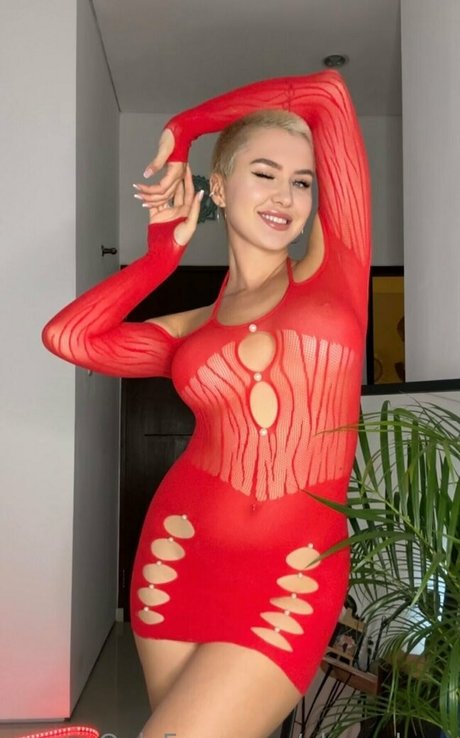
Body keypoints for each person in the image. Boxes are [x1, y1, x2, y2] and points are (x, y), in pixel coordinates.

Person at [42, 69, 371, 738]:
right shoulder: (193, 330)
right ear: (217, 188)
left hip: (294, 572)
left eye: (302, 182)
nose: (286, 196)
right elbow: (70, 338)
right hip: (178, 559)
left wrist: (185, 127)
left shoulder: (336, 269)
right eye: (265, 173)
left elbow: (327, 95)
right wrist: (159, 260)